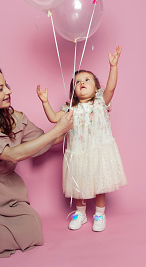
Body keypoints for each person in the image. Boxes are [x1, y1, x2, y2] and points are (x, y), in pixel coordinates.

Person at [0, 66, 73, 258]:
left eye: (6, 86)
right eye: (0, 89)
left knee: (32, 226)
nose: (9, 91)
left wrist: (76, 125)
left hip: (8, 192)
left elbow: (45, 141)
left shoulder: (15, 118)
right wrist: (59, 129)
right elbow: (13, 155)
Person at [36, 46, 127, 232]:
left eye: (87, 80)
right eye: (77, 82)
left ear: (96, 87)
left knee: (100, 185)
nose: (82, 83)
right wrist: (45, 102)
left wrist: (113, 66)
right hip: (78, 153)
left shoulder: (101, 101)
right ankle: (80, 213)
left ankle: (100, 214)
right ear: (73, 91)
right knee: (79, 185)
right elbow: (54, 118)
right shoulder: (70, 109)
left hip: (99, 151)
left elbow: (111, 86)